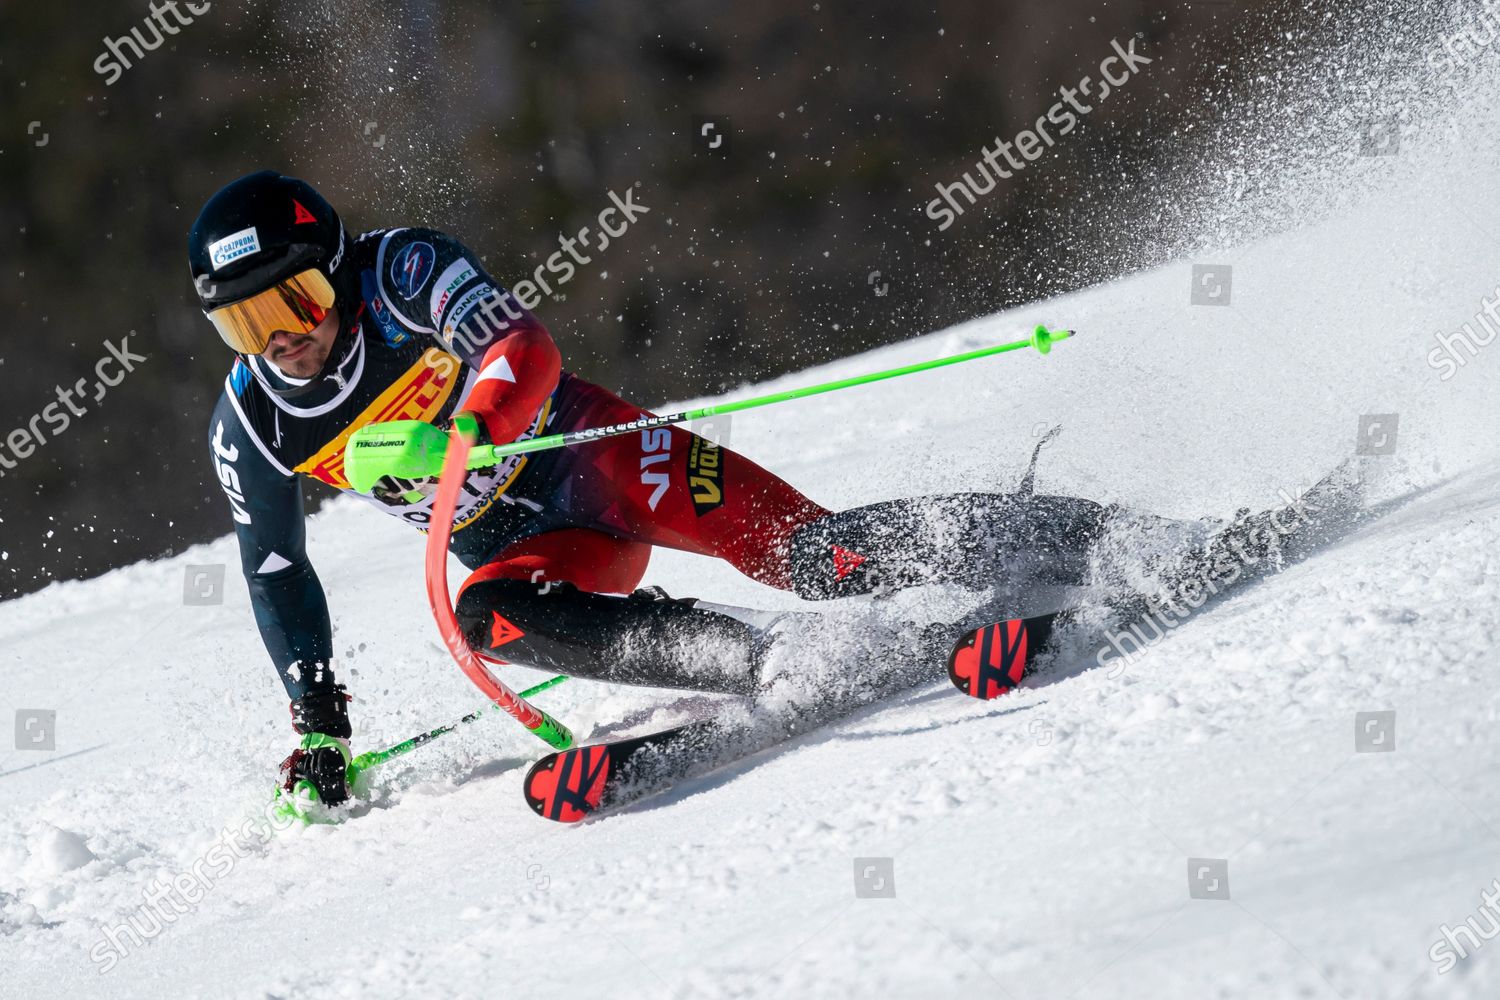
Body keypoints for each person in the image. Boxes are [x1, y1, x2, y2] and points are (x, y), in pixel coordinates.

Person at [191, 171, 1343, 808]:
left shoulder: (400, 271)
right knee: (489, 615)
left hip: (593, 453)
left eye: (289, 304)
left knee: (817, 554)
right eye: (245, 324)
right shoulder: (251, 419)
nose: (279, 341)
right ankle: (761, 659)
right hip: (528, 545)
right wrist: (321, 724)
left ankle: (1116, 537)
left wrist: (466, 431)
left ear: (331, 267)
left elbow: (524, 349)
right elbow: (276, 569)